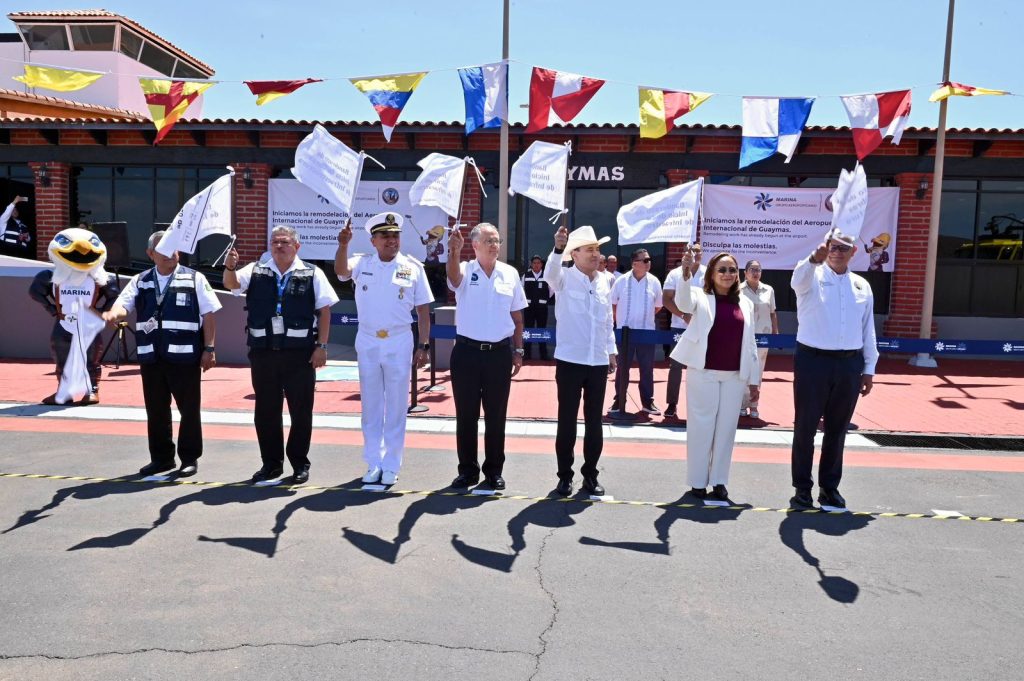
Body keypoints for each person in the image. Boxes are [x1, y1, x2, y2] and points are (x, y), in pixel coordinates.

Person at [224, 225, 338, 485]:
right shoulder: (255, 270)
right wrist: (230, 267)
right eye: (274, 242)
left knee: (301, 411)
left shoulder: (312, 273)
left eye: (284, 242)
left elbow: (325, 311)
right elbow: (232, 284)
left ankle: (299, 464)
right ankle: (271, 464)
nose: (279, 246)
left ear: (297, 246)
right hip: (263, 353)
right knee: (266, 411)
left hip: (300, 355)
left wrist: (322, 346)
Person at [103, 231, 221, 477]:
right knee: (156, 410)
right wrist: (114, 314)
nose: (170, 253)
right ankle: (161, 459)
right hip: (152, 356)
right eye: (163, 249)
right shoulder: (141, 280)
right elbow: (123, 304)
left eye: (173, 247)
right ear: (150, 254)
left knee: (189, 410)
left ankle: (189, 458)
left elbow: (209, 315)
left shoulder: (195, 278)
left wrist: (209, 348)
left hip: (186, 357)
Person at [335, 212, 432, 486]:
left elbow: (423, 311)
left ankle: (391, 463)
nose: (392, 240)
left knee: (397, 406)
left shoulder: (413, 267)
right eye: (385, 236)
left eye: (395, 235)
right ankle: (373, 462)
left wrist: (424, 344)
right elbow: (341, 272)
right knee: (371, 405)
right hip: (368, 340)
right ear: (373, 241)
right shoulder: (362, 263)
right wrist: (343, 245)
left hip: (399, 340)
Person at [790, 229, 877, 510]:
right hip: (813, 361)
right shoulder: (811, 276)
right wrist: (812, 259)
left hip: (849, 364)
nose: (837, 252)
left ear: (854, 252)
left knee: (837, 429)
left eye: (843, 248)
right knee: (805, 427)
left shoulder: (862, 286)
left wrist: (869, 367)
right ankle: (802, 488)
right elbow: (797, 280)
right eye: (833, 247)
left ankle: (829, 488)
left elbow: (868, 329)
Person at [670, 249, 761, 502]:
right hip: (704, 372)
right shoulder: (699, 296)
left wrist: (754, 381)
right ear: (711, 273)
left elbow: (751, 344)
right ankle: (698, 482)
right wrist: (686, 273)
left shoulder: (746, 303)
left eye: (732, 270)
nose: (727, 274)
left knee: (726, 430)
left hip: (735, 376)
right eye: (722, 269)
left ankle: (719, 481)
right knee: (701, 428)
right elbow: (683, 303)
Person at [446, 223, 527, 489]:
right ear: (475, 245)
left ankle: (493, 470)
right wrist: (453, 252)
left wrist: (518, 350)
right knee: (466, 416)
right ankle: (468, 470)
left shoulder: (510, 273)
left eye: (497, 240)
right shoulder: (465, 269)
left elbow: (517, 316)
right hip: (466, 354)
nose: (494, 245)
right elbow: (453, 280)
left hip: (499, 354)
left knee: (496, 416)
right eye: (489, 240)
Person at [544, 224, 617, 497]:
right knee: (567, 422)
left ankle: (591, 475)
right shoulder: (563, 277)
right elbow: (550, 273)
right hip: (570, 361)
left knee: (594, 423)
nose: (596, 254)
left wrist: (611, 351)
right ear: (574, 254)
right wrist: (557, 248)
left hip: (597, 361)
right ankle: (565, 476)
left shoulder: (605, 280)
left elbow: (607, 320)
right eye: (589, 249)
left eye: (597, 249)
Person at [29, 226, 119, 405]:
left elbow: (114, 296)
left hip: (88, 325)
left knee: (90, 361)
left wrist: (102, 313)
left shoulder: (100, 278)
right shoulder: (51, 276)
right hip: (63, 323)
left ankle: (91, 391)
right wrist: (51, 309)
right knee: (62, 360)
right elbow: (34, 292)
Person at [609, 248, 663, 416]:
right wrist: (620, 321)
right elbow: (613, 304)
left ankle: (647, 402)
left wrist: (644, 318)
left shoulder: (654, 281)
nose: (648, 263)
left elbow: (658, 306)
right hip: (625, 333)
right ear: (634, 263)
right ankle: (619, 401)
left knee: (647, 369)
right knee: (622, 368)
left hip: (646, 332)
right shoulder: (621, 281)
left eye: (649, 259)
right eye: (645, 260)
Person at [661, 243, 706, 418]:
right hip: (679, 326)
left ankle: (699, 406)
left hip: (702, 327)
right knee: (675, 367)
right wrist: (682, 315)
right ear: (686, 254)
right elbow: (666, 299)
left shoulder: (709, 273)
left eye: (698, 251)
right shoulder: (674, 274)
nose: (695, 254)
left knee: (701, 367)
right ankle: (672, 404)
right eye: (692, 251)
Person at [738, 259, 778, 419]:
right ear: (745, 272)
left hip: (763, 336)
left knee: (758, 370)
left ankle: (754, 405)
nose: (755, 273)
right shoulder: (738, 289)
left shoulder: (768, 289)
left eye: (758, 270)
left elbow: (773, 312)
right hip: (744, 335)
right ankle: (742, 404)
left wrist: (775, 331)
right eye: (752, 270)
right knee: (744, 369)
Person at [521, 254, 552, 360]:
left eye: (538, 263)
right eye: (534, 263)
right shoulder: (526, 275)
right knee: (528, 330)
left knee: (542, 330)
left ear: (542, 264)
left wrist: (544, 298)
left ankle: (543, 354)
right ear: (531, 264)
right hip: (529, 307)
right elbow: (521, 289)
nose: (536, 265)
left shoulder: (546, 276)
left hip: (542, 308)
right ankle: (527, 354)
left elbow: (551, 290)